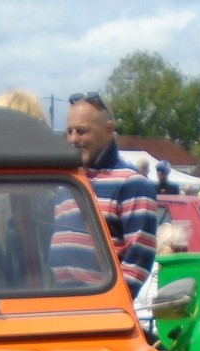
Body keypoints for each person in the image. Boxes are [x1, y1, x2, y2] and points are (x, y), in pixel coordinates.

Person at [60, 91, 157, 296]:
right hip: (54, 303)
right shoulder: (66, 181)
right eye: (69, 131)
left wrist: (111, 305)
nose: (73, 139)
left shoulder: (132, 183)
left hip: (97, 310)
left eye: (82, 131)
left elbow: (138, 261)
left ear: (109, 130)